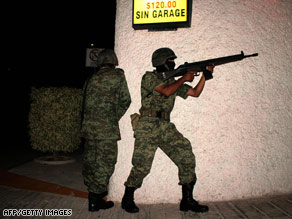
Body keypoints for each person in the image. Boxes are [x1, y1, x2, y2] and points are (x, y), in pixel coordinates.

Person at [121, 48, 214, 213]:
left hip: (165, 125)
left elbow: (195, 92)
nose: (172, 63)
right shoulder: (149, 77)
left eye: (173, 60)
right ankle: (127, 198)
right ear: (160, 62)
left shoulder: (174, 81)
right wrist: (183, 78)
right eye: (169, 60)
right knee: (142, 166)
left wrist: (205, 76)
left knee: (186, 155)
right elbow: (165, 91)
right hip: (147, 125)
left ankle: (187, 200)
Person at [81, 49, 131, 211]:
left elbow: (83, 102)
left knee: (91, 161)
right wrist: (112, 117)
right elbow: (125, 100)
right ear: (114, 61)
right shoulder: (118, 76)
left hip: (89, 129)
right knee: (106, 163)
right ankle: (96, 199)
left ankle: (92, 195)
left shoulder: (90, 79)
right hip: (106, 130)